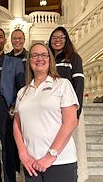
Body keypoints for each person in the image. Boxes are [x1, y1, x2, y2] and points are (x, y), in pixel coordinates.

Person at [13, 42, 79, 182]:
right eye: (35, 55)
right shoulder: (22, 92)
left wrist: (50, 156)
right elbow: (17, 126)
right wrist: (23, 155)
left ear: (50, 60)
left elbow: (71, 122)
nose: (39, 58)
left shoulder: (62, 84)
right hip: (32, 163)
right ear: (29, 60)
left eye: (44, 55)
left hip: (60, 161)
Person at [48, 26, 88, 182]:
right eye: (54, 38)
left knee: (73, 143)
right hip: (52, 110)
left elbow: (79, 85)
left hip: (70, 109)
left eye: (61, 37)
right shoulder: (47, 59)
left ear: (66, 40)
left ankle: (78, 175)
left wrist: (76, 115)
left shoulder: (74, 58)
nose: (57, 40)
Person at [0, 27, 25, 182]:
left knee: (8, 150)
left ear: (4, 40)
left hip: (6, 109)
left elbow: (22, 88)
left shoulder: (15, 62)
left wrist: (14, 108)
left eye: (0, 37)